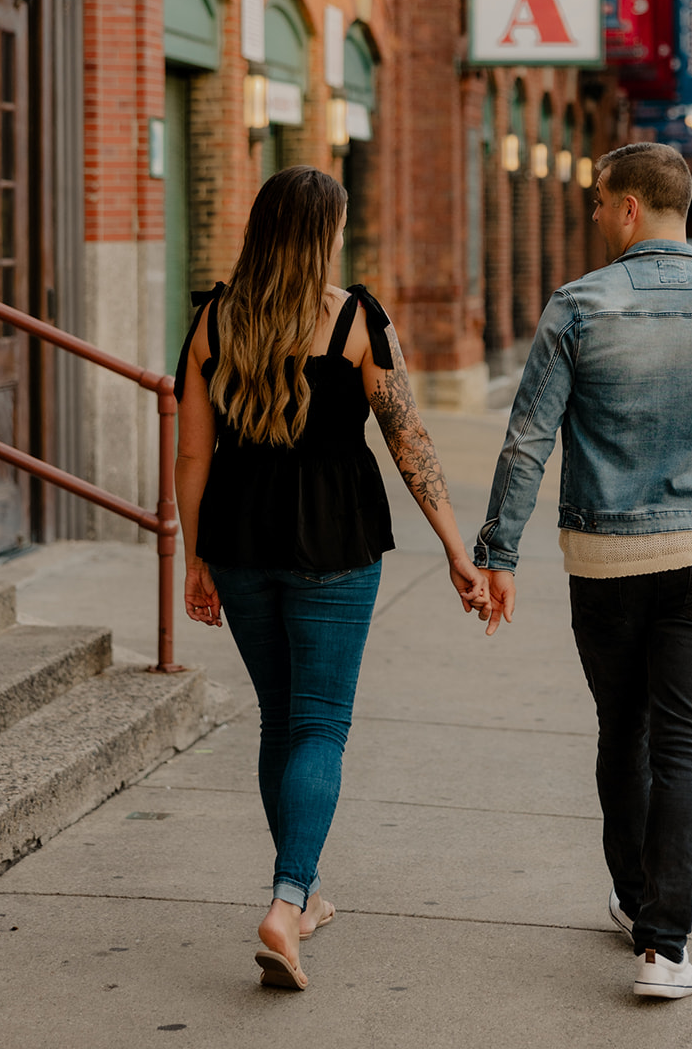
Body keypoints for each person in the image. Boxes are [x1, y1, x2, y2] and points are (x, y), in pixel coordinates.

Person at [473, 143, 692, 1001]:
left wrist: (497, 553)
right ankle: (663, 947)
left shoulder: (579, 306)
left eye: (594, 201)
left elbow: (527, 440)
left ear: (626, 208)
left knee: (622, 730)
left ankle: (630, 895)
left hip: (605, 555)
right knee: (685, 744)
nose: (590, 216)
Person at [174, 165, 488, 991]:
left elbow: (192, 454)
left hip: (239, 542)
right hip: (335, 543)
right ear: (324, 234)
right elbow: (407, 439)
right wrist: (457, 547)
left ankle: (303, 896)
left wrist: (195, 555)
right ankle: (286, 902)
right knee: (319, 724)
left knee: (281, 721)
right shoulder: (355, 319)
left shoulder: (212, 320)